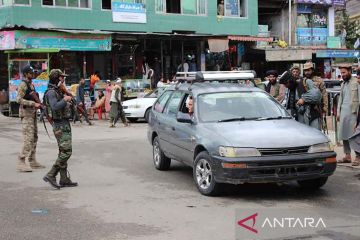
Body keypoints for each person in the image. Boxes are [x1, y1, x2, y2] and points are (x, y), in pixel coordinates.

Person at [43, 69, 78, 189]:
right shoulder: (51, 92)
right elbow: (54, 106)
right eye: (62, 77)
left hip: (64, 123)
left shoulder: (59, 91)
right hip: (59, 125)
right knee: (67, 152)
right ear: (57, 78)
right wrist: (64, 100)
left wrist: (68, 96)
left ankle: (64, 179)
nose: (63, 79)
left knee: (63, 151)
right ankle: (51, 174)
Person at [16, 65, 45, 172]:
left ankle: (32, 160)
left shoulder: (31, 85)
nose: (33, 74)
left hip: (32, 114)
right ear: (26, 74)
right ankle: (21, 161)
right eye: (31, 72)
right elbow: (18, 100)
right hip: (26, 115)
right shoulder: (23, 85)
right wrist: (33, 103)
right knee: (28, 138)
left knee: (35, 137)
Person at [337, 64, 360, 165]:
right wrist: (338, 113)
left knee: (354, 136)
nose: (342, 75)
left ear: (350, 71)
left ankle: (358, 156)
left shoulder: (356, 83)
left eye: (344, 72)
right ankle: (347, 155)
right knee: (344, 134)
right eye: (341, 73)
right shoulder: (343, 84)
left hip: (353, 113)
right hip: (343, 114)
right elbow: (340, 100)